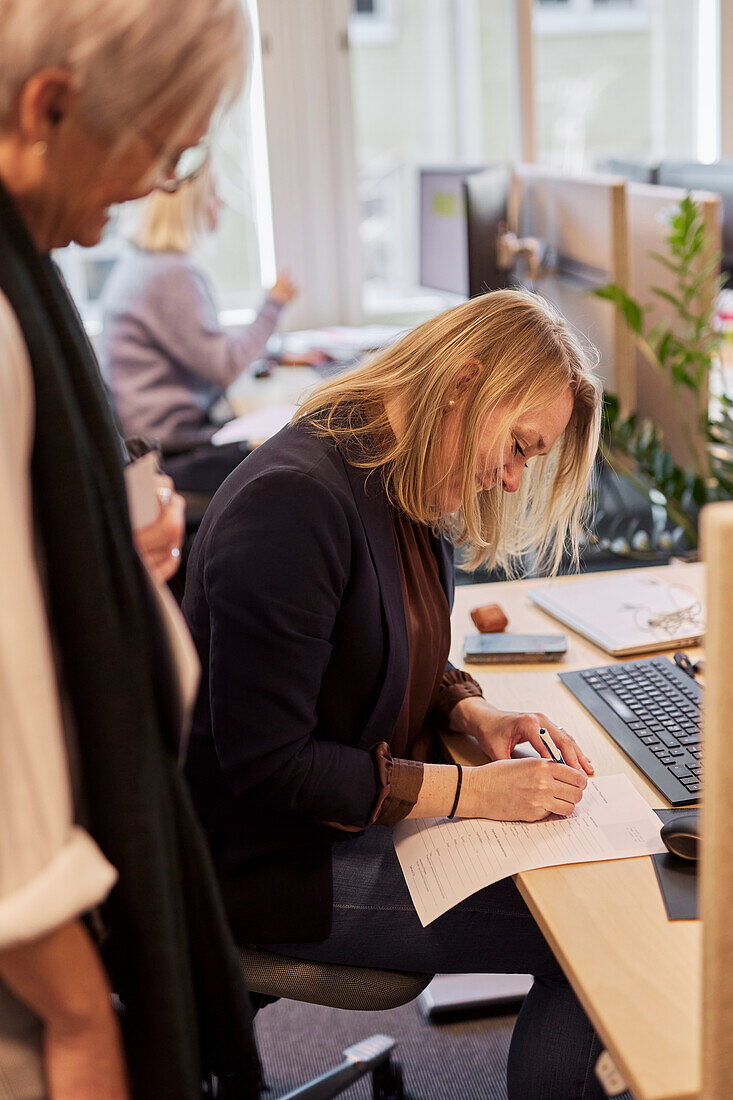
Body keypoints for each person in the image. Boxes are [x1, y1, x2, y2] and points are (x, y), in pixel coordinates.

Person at [182, 288, 606, 1100]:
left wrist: (470, 710)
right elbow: (273, 767)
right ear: (463, 383)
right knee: (579, 935)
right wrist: (471, 793)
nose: (513, 480)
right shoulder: (297, 501)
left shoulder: (390, 473)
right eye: (517, 447)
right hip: (267, 861)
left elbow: (385, 639)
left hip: (326, 827)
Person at [0, 1, 261, 1097]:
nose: (136, 205)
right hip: (39, 952)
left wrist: (107, 546)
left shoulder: (32, 277)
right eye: (156, 154)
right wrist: (80, 1015)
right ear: (48, 107)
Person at [99, 160, 298, 447]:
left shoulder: (141, 265)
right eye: (214, 195)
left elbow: (207, 350)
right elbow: (226, 366)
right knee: (286, 447)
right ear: (190, 204)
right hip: (175, 443)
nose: (220, 205)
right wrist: (274, 304)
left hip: (155, 435)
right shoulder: (170, 274)